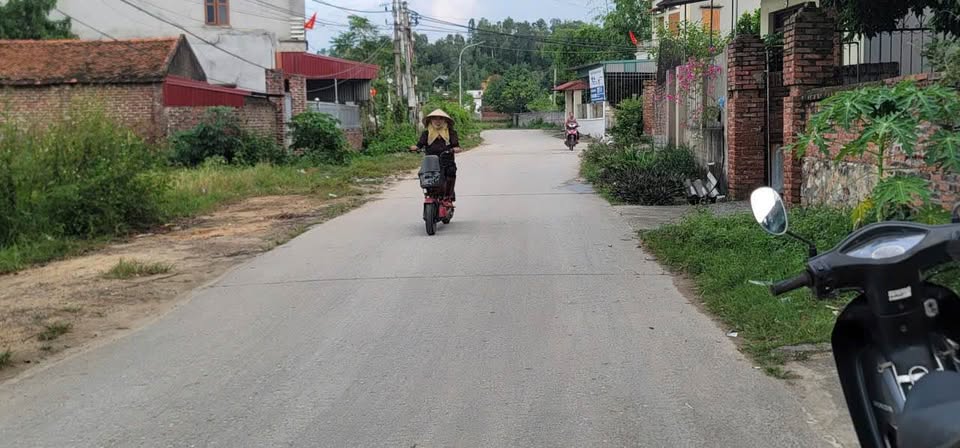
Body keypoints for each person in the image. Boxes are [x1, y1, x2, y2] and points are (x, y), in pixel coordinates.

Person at [410, 109, 461, 204]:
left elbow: (456, 146)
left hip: (447, 160)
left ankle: (448, 196)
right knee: (426, 176)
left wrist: (455, 149)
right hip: (431, 161)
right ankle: (430, 194)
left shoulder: (451, 133)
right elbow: (420, 144)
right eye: (435, 119)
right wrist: (415, 147)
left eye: (440, 118)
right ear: (431, 121)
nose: (438, 121)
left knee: (451, 172)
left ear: (445, 120)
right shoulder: (426, 133)